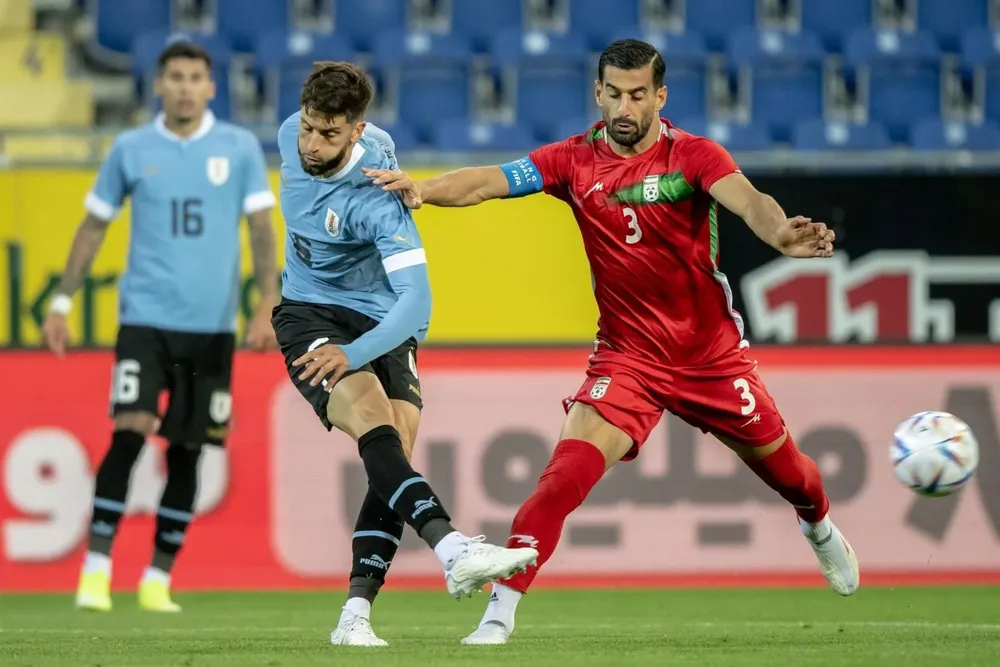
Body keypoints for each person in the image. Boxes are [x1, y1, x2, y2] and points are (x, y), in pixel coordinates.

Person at [364, 38, 860, 646]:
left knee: (793, 476)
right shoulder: (571, 162)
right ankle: (497, 618)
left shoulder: (695, 158)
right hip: (628, 358)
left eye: (638, 95)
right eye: (614, 94)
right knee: (561, 478)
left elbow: (750, 202)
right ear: (598, 93)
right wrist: (422, 190)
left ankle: (819, 526)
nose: (625, 107)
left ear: (660, 97)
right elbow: (489, 182)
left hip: (711, 356)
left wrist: (781, 232)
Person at [270, 61, 538, 647]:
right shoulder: (289, 131)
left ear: (358, 131)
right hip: (306, 313)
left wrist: (357, 350)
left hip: (378, 318)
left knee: (395, 451)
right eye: (310, 128)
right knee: (372, 419)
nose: (313, 144)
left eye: (330, 134)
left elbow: (416, 305)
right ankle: (451, 547)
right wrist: (339, 352)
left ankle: (354, 616)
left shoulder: (376, 195)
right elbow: (307, 123)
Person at [42, 39, 280, 613]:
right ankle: (96, 570)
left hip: (212, 328)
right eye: (174, 76)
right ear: (159, 84)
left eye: (195, 77)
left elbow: (262, 229)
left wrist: (266, 300)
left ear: (211, 87)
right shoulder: (131, 148)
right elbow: (93, 226)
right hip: (145, 320)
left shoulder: (239, 147)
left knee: (189, 449)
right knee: (130, 427)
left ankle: (157, 577)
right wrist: (62, 301)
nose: (184, 86)